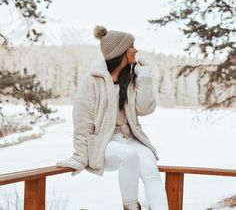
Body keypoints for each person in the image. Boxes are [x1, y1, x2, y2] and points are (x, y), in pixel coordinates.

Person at [56, 25, 169, 210]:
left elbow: (145, 108)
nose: (136, 49)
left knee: (152, 175)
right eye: (131, 46)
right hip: (104, 143)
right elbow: (82, 123)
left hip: (130, 139)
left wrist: (145, 77)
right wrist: (80, 155)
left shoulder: (130, 78)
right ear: (121, 53)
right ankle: (131, 207)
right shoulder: (92, 81)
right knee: (128, 155)